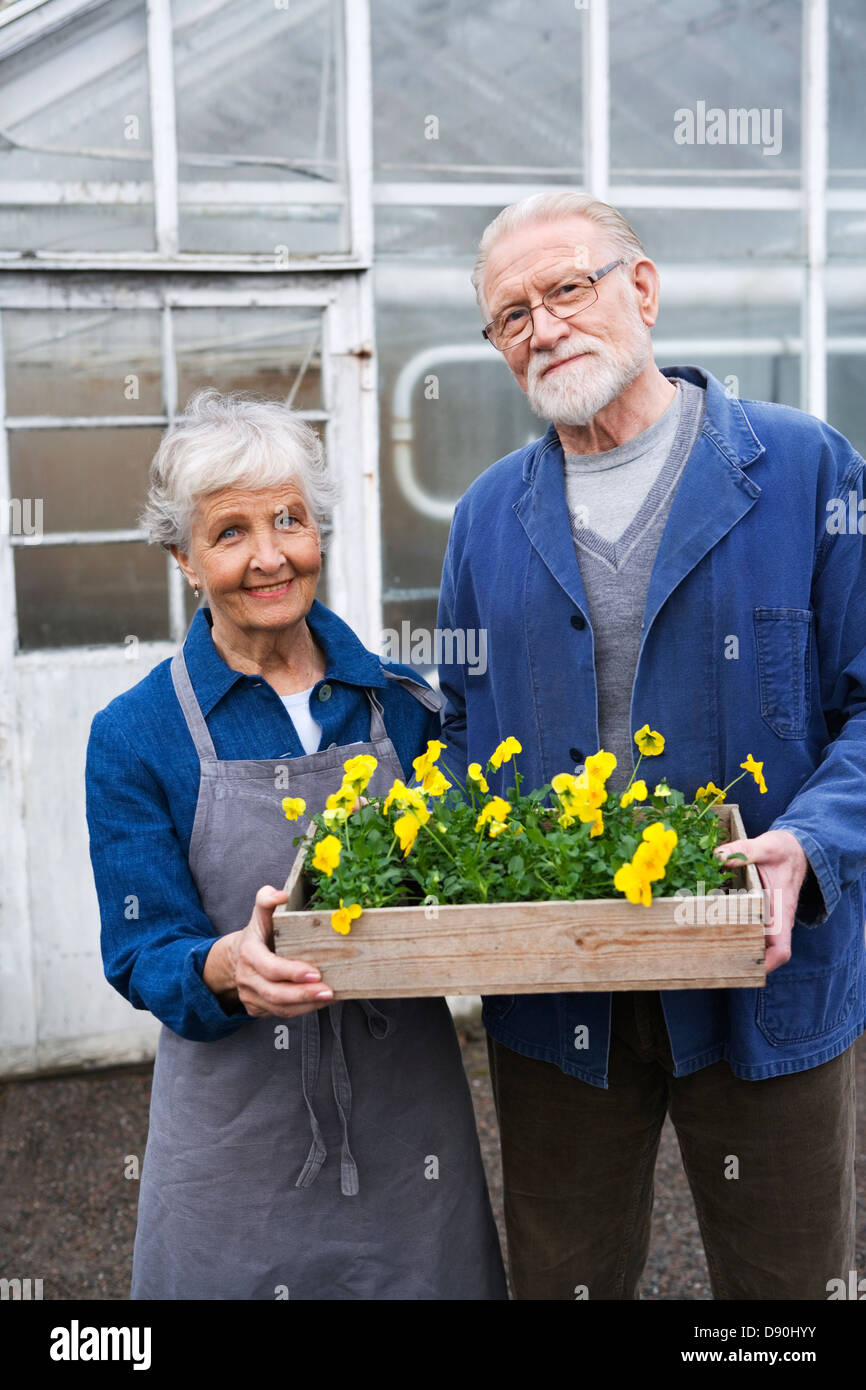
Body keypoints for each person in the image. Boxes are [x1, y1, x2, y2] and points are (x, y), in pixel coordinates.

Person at [436, 191, 866, 1300]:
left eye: (565, 288)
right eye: (509, 314)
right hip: (556, 988)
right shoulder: (485, 516)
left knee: (784, 1290)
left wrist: (810, 841)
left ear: (641, 287)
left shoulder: (804, 468)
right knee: (563, 1278)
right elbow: (448, 721)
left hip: (759, 972)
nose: (542, 326)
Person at [85, 389, 506, 1301]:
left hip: (406, 1111)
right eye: (230, 532)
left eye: (290, 520)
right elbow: (140, 949)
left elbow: (474, 879)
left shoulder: (404, 705)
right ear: (182, 559)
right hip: (233, 1131)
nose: (270, 556)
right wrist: (225, 966)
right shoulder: (135, 734)